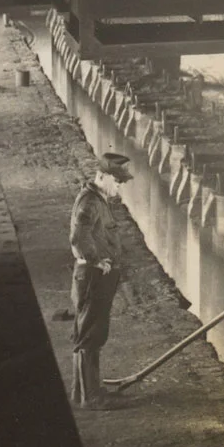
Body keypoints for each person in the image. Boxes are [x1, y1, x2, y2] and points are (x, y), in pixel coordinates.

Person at [67, 151, 131, 408]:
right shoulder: (91, 203)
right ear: (102, 176)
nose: (118, 186)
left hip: (95, 276)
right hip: (94, 276)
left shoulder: (97, 199)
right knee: (90, 335)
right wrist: (95, 260)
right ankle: (91, 397)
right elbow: (78, 237)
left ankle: (82, 392)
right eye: (116, 181)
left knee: (87, 333)